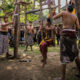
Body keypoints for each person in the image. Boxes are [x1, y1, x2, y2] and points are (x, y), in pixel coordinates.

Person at [53, 4, 80, 80]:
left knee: (64, 53)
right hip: (72, 34)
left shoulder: (63, 13)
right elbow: (78, 27)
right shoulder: (75, 17)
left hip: (65, 34)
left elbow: (53, 18)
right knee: (75, 53)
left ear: (67, 8)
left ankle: (63, 77)